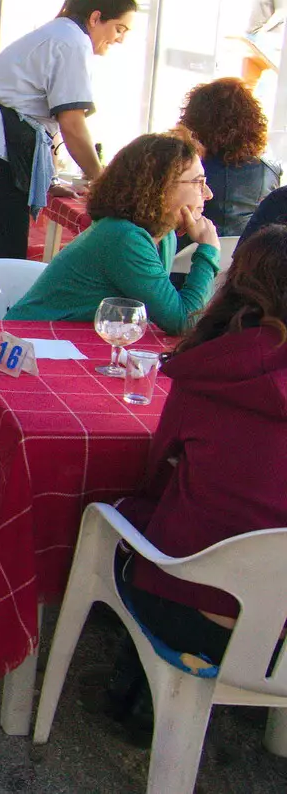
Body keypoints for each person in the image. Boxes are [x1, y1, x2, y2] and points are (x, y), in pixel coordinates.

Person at [102, 224, 287, 724]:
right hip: (278, 635)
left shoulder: (214, 369)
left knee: (121, 523)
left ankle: (141, 690)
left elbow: (155, 477)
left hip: (197, 608)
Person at [0, 0, 136, 259]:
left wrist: (45, 179)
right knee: (5, 256)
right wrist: (101, 179)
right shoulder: (72, 42)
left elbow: (38, 114)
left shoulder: (61, 34)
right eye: (119, 29)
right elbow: (72, 124)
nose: (120, 39)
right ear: (96, 18)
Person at [7, 131, 220, 334]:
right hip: (32, 341)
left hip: (73, 343)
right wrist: (208, 250)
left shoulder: (164, 236)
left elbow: (165, 316)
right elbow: (183, 321)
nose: (208, 194)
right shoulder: (124, 237)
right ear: (161, 187)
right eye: (198, 182)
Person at [175, 77, 279, 236]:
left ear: (195, 119)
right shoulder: (268, 171)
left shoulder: (184, 166)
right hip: (244, 256)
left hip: (183, 255)